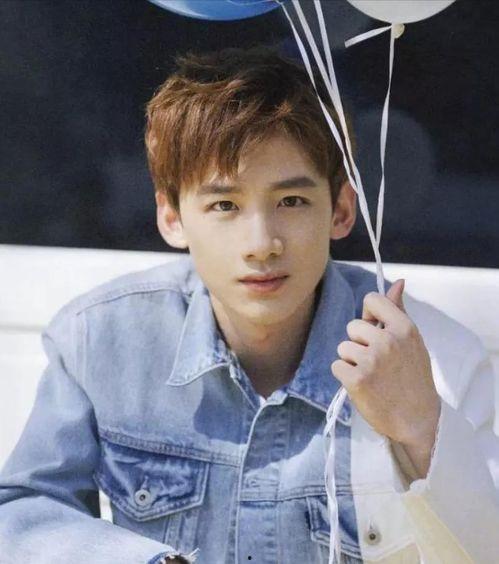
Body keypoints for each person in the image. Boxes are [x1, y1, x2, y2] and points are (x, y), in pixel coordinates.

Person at [0, 44, 498, 564]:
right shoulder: (101, 338)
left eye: (291, 201)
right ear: (172, 218)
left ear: (341, 210)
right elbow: (23, 511)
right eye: (224, 205)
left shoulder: (437, 357)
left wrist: (420, 428)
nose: (261, 243)